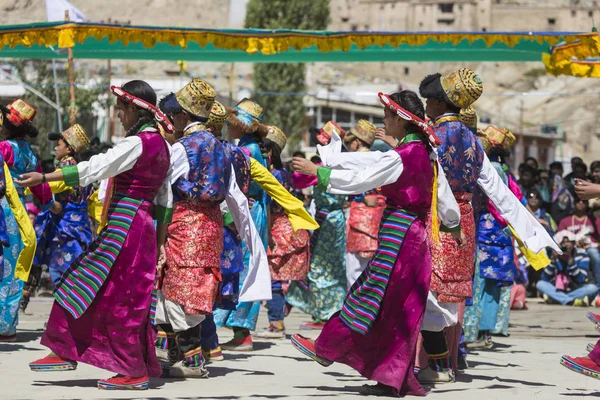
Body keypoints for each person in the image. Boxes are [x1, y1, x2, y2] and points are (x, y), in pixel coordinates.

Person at [290, 90, 462, 397]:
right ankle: (388, 376)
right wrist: (453, 223)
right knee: (399, 307)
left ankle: (329, 347)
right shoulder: (424, 152)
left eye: (386, 116)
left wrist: (318, 172)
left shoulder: (404, 155)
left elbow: (364, 178)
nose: (384, 121)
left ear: (398, 119)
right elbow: (444, 197)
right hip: (414, 235)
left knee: (370, 294)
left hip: (400, 234)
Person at [21, 80, 174, 390]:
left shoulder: (137, 144)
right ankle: (65, 347)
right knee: (92, 285)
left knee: (121, 298)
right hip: (139, 228)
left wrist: (45, 176)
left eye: (120, 109)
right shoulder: (163, 147)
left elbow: (95, 168)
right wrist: (159, 245)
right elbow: (165, 203)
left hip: (126, 227)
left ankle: (133, 370)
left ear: (133, 109)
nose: (118, 115)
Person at [153, 79, 232, 378]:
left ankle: (186, 359)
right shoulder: (221, 147)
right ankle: (177, 357)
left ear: (183, 116)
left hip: (185, 223)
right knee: (196, 287)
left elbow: (165, 190)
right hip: (211, 225)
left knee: (174, 287)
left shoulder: (183, 148)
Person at [213, 98, 269, 351]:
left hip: (247, 210)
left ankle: (242, 331)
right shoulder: (250, 147)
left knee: (243, 268)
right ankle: (238, 329)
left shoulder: (248, 151)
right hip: (250, 208)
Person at [286, 122, 349, 331]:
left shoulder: (336, 167)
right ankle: (323, 312)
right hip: (327, 219)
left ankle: (326, 315)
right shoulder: (327, 165)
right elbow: (299, 182)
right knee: (323, 268)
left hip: (329, 220)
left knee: (326, 269)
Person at [463, 126, 521, 348]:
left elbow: (493, 202)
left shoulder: (493, 169)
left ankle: (479, 332)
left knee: (484, 282)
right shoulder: (501, 168)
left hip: (487, 231)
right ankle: (484, 331)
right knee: (489, 283)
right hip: (496, 230)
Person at [0, 99, 52, 342]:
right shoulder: (30, 154)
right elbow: (40, 185)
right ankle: (7, 326)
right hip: (22, 215)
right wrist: (52, 204)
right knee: (15, 271)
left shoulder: (4, 149)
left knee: (3, 268)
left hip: (4, 210)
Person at [255, 126, 310, 338]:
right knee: (279, 278)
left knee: (274, 278)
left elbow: (271, 205)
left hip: (279, 229)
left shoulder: (271, 175)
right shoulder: (285, 172)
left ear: (270, 153)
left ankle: (276, 323)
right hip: (290, 228)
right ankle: (277, 319)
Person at [33, 125, 93, 287]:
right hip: (73, 226)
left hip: (67, 228)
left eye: (58, 144)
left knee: (61, 270)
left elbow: (49, 186)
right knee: (66, 268)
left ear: (68, 149)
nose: (55, 147)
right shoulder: (77, 167)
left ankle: (68, 306)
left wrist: (26, 182)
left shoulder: (67, 169)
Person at [343, 120, 386, 289]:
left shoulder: (354, 159)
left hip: (360, 215)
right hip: (379, 214)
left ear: (356, 141)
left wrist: (360, 198)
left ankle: (354, 307)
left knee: (354, 268)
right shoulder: (379, 158)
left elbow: (351, 184)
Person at [537, 232, 597, 306]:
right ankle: (570, 301)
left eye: (568, 242)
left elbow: (580, 279)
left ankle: (558, 299)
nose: (565, 245)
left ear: (573, 243)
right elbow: (545, 278)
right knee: (540, 284)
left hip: (575, 289)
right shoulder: (555, 255)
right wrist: (553, 261)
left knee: (592, 288)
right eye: (563, 242)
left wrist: (571, 262)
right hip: (558, 289)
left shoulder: (582, 255)